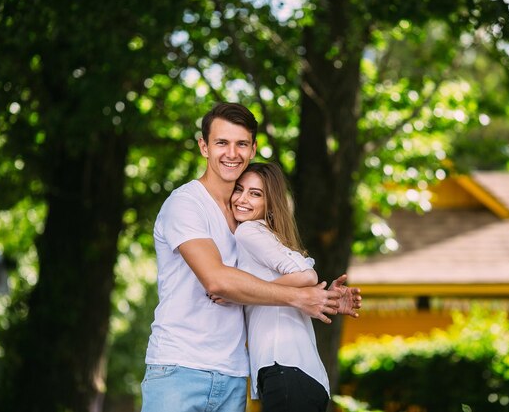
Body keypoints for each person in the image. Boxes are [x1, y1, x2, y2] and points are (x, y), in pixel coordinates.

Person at [141, 102, 361, 412]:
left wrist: (319, 295)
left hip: (233, 375)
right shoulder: (186, 204)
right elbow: (217, 280)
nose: (232, 153)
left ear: (252, 148)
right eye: (221, 143)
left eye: (241, 143)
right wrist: (297, 296)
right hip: (180, 368)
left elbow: (266, 283)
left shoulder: (247, 221)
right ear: (204, 146)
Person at [228, 162, 356, 412]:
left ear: (270, 203)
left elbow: (305, 275)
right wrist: (323, 297)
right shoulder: (267, 236)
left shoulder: (249, 231)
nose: (242, 199)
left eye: (255, 193)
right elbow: (298, 287)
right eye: (239, 189)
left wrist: (242, 292)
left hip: (284, 370)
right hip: (301, 376)